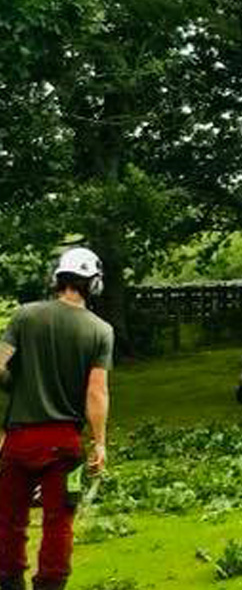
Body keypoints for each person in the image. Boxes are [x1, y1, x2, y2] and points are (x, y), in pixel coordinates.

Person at [0, 246, 113, 590]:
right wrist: (99, 443)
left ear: (57, 279)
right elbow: (96, 392)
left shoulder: (23, 317)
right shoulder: (100, 331)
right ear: (93, 284)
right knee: (59, 519)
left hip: (18, 440)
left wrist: (17, 380)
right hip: (66, 445)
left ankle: (7, 580)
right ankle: (51, 583)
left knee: (8, 518)